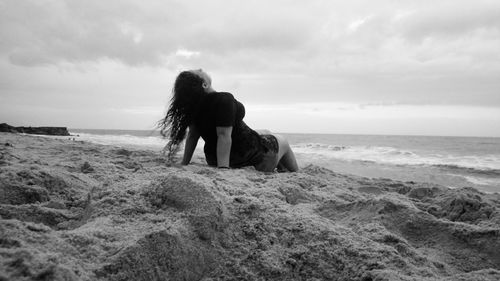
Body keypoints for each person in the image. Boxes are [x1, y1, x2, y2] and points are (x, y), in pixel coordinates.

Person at [159, 69, 298, 172]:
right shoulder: (223, 99)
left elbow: (192, 136)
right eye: (198, 72)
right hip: (252, 159)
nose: (200, 69)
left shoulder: (195, 108)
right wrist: (224, 169)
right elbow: (223, 136)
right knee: (282, 140)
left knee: (265, 132)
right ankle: (294, 173)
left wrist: (185, 163)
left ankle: (281, 167)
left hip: (214, 159)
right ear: (204, 85)